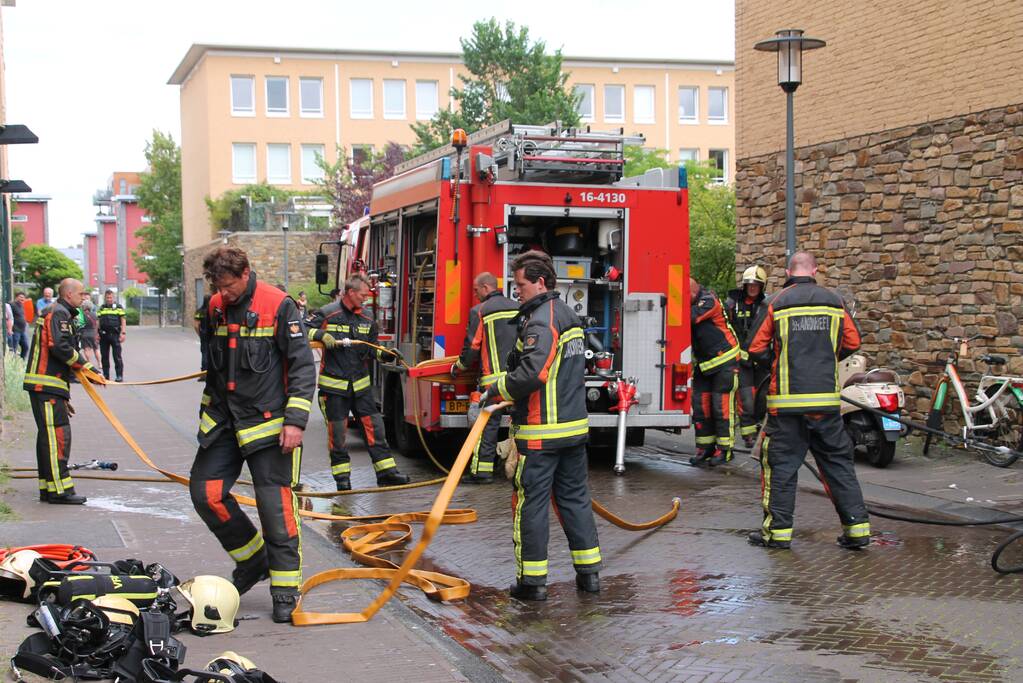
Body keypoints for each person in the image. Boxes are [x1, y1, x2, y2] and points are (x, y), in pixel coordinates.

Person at [190, 246, 316, 623]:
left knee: (275, 510)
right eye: (218, 286)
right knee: (205, 493)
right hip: (225, 422)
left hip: (270, 427)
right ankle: (253, 561)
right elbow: (211, 362)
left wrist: (295, 421)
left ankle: (285, 589)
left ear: (245, 273)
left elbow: (301, 366)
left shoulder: (279, 305)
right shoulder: (214, 306)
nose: (224, 294)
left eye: (228, 286)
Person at [487, 250, 601, 602]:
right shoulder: (568, 314)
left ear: (540, 282)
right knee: (575, 501)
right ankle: (590, 577)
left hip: (541, 433)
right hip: (572, 430)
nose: (516, 291)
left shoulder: (541, 320)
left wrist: (496, 390)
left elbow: (534, 372)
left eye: (520, 284)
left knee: (530, 505)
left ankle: (532, 583)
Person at [745, 251, 870, 550]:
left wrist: (777, 362)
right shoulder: (835, 301)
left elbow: (755, 347)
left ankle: (777, 534)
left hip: (787, 406)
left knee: (781, 468)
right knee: (839, 465)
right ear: (815, 270)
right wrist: (827, 358)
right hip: (826, 404)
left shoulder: (775, 302)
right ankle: (857, 531)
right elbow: (853, 342)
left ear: (789, 272)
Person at [305, 274, 409, 491]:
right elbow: (302, 330)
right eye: (363, 295)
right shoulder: (328, 313)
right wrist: (322, 334)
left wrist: (386, 356)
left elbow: (371, 349)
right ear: (351, 293)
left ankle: (386, 473)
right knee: (338, 435)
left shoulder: (368, 318)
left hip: (361, 388)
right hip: (334, 389)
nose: (366, 299)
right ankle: (342, 480)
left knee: (376, 430)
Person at [22, 278, 102, 505]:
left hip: (48, 386)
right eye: (81, 294)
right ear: (68, 294)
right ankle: (60, 491)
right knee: (57, 437)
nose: (84, 297)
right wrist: (88, 369)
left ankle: (49, 488)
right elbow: (60, 346)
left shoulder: (59, 312)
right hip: (46, 386)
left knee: (48, 439)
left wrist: (64, 395)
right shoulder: (59, 313)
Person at [451, 272, 518, 483]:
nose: (475, 294)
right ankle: (519, 469)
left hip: (493, 383)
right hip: (518, 380)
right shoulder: (518, 308)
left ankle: (482, 472)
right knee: (521, 425)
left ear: (486, 288)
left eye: (476, 290)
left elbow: (472, 346)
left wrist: (458, 366)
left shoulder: (479, 311)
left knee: (486, 426)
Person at [688, 278, 741, 467]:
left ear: (694, 293)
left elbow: (691, 317)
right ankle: (705, 448)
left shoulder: (709, 300)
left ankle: (725, 450)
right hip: (705, 364)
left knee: (722, 407)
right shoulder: (696, 299)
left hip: (725, 361)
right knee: (701, 406)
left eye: (687, 296)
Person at [725, 266, 770, 448]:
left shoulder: (767, 305)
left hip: (762, 360)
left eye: (756, 285)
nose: (752, 288)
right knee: (746, 400)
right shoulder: (731, 304)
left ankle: (760, 429)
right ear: (744, 285)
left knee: (762, 399)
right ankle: (748, 435)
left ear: (762, 286)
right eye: (749, 284)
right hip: (741, 361)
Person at [97, 290, 127, 381]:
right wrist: (97, 333)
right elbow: (98, 321)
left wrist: (123, 333)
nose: (109, 299)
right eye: (107, 297)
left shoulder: (119, 307)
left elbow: (123, 320)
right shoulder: (102, 308)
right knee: (104, 356)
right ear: (105, 298)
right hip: (104, 336)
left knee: (117, 356)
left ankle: (119, 376)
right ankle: (106, 376)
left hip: (115, 335)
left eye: (110, 297)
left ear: (113, 298)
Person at [193, 289, 213, 374]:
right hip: (213, 334)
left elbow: (196, 325)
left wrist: (200, 334)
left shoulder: (199, 311)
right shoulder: (213, 311)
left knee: (204, 353)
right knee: (214, 353)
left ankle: (204, 373)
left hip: (204, 334)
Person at [79, 299, 100, 367]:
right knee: (96, 349)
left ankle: (89, 363)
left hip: (85, 333)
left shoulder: (82, 315)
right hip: (93, 333)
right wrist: (96, 333)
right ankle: (100, 363)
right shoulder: (94, 314)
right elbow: (97, 324)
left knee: (87, 349)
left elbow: (80, 324)